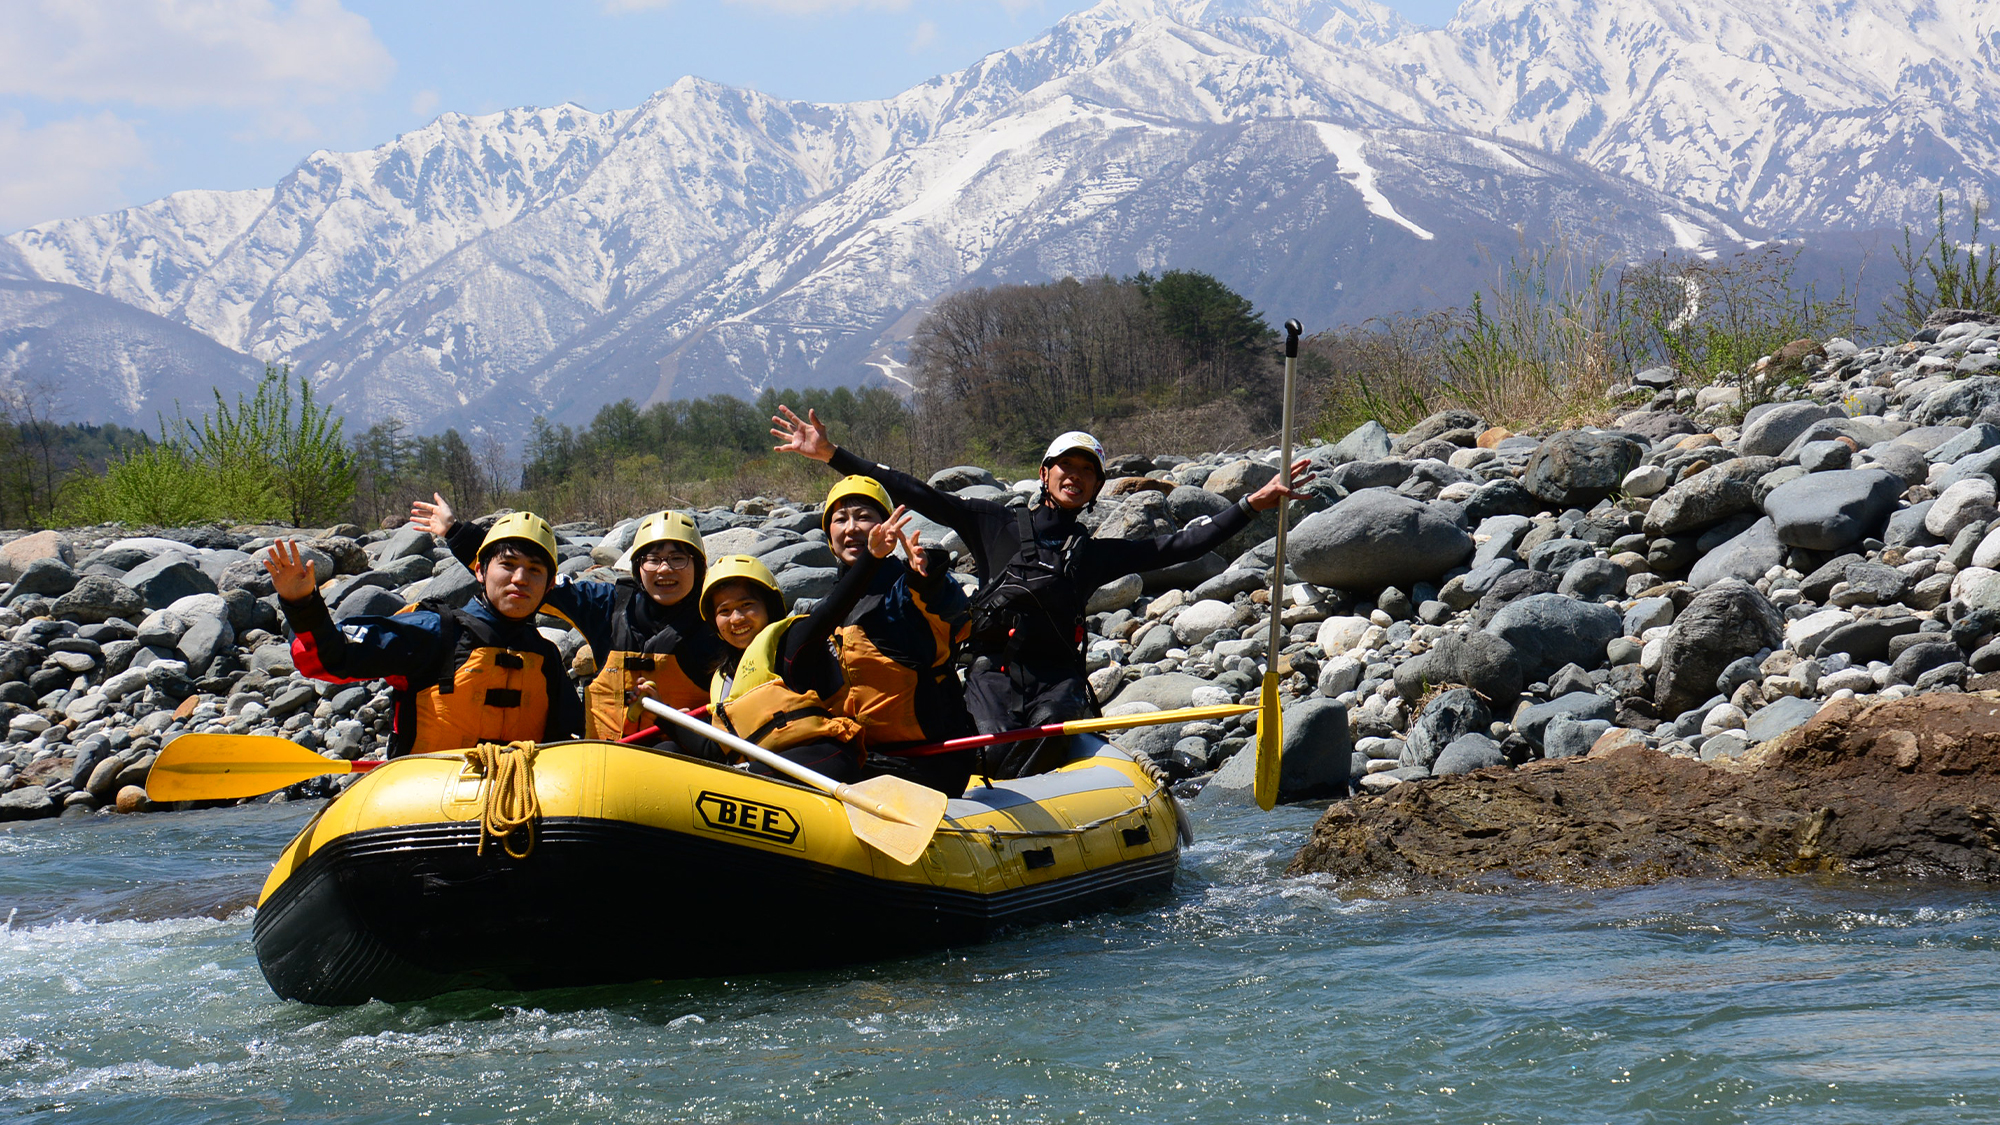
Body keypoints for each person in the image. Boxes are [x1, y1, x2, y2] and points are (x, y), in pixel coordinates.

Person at [772, 406, 1314, 778]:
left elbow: (1181, 546)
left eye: (1087, 471)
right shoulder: (992, 524)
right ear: (1045, 473)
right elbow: (919, 492)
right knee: (992, 750)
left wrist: (1251, 504)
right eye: (1066, 466)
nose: (1075, 476)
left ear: (1097, 486)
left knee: (1036, 752)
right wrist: (832, 455)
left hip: (1056, 680)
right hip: (991, 674)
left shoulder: (1097, 554)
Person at [268, 512, 586, 757]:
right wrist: (302, 603)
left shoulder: (544, 657)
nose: (520, 578)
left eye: (534, 570)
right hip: (428, 800)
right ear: (480, 571)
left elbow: (569, 738)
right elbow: (329, 658)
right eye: (508, 564)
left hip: (513, 805)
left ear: (548, 586)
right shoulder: (435, 630)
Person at [412, 497, 727, 741]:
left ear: (698, 567)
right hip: (606, 765)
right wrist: (457, 533)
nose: (665, 569)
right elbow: (528, 584)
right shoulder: (607, 607)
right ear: (637, 568)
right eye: (653, 559)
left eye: (678, 558)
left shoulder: (721, 621)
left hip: (685, 762)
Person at [687, 508, 920, 784]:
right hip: (765, 772)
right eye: (724, 611)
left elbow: (832, 608)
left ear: (769, 608)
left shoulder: (792, 642)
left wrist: (871, 558)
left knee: (745, 774)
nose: (736, 619)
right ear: (715, 622)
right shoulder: (722, 680)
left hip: (825, 761)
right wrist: (660, 714)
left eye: (747, 605)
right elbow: (715, 747)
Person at [819, 474, 977, 796]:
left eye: (864, 517)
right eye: (840, 519)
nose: (851, 528)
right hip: (863, 758)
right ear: (828, 537)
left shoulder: (907, 587)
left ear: (889, 527)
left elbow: (957, 621)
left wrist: (929, 576)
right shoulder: (828, 607)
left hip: (926, 762)